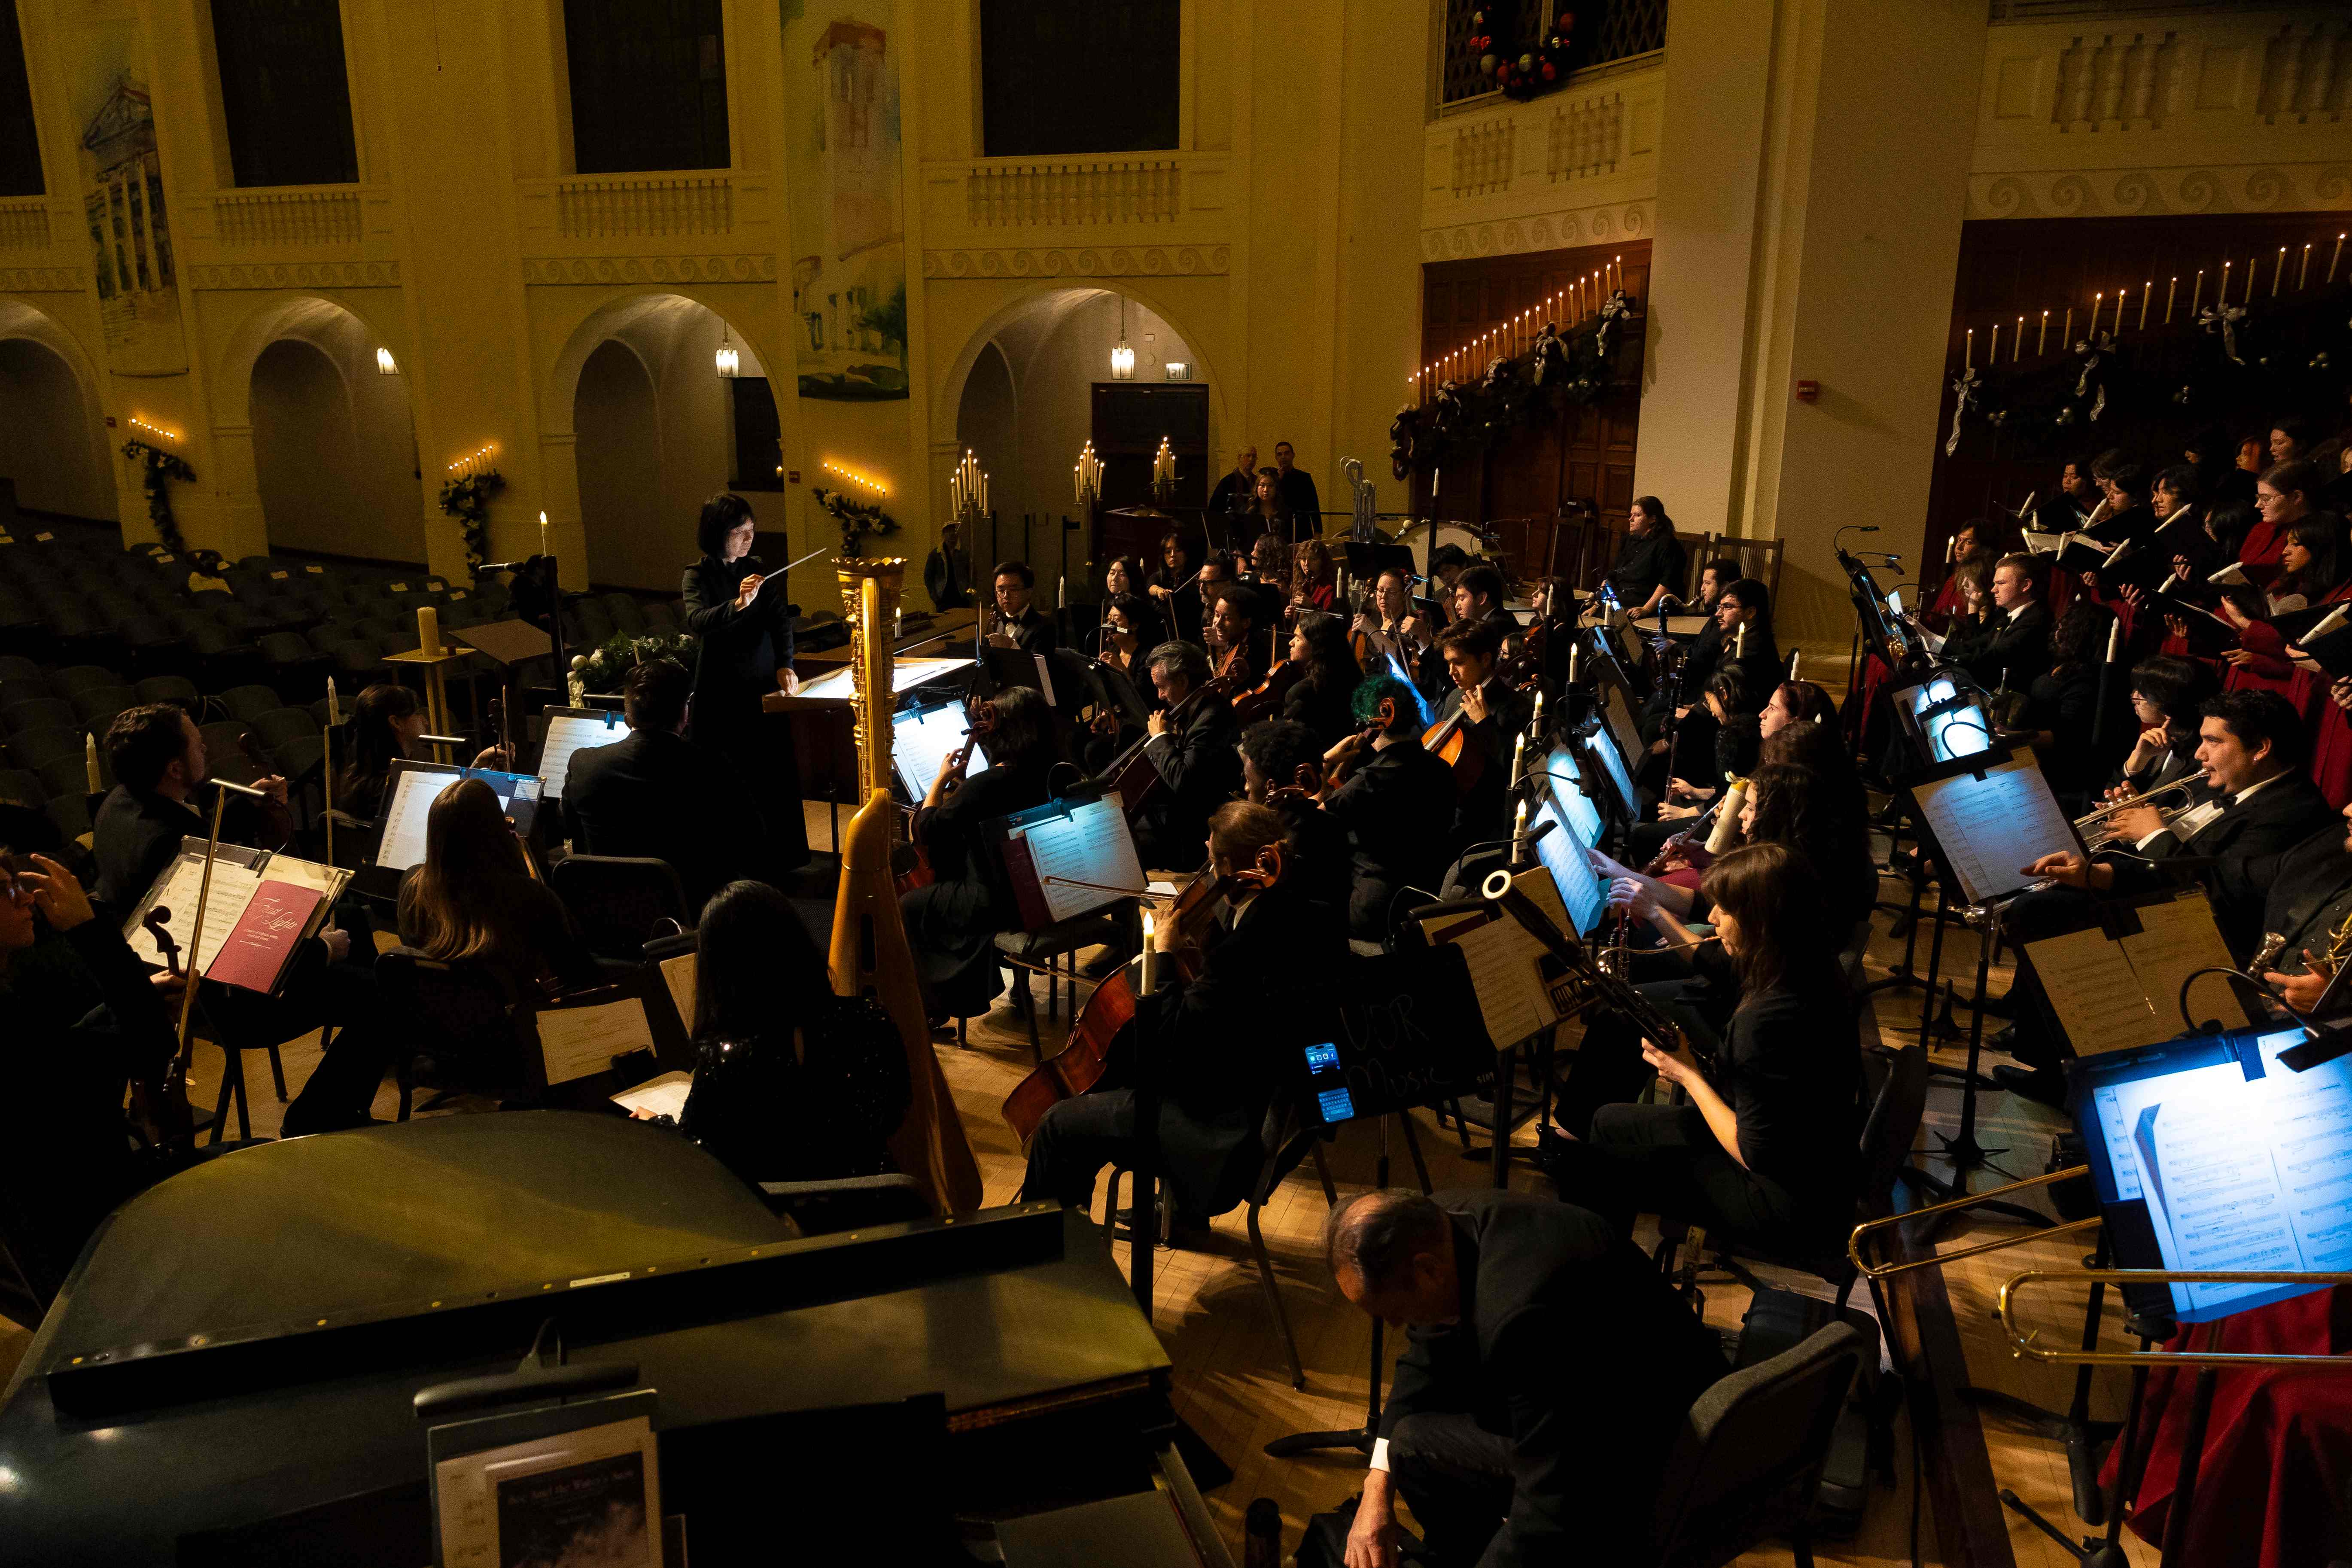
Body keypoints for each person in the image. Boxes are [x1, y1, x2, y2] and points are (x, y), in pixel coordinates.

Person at [1329, 1188, 1730, 1568]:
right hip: (1623, 1393)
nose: (1397, 1324)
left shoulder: (1521, 1319)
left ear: (1427, 1270)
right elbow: (1424, 1358)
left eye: (1393, 1311)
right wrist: (1375, 1488)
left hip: (1656, 1456)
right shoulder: (1438, 1224)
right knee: (1405, 1445)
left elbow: (1553, 1503)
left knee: (1417, 1450)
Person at [1019, 802, 1343, 1239]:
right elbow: (1232, 1013)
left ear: (1229, 865)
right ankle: (1172, 1217)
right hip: (1263, 1104)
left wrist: (1166, 958)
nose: (1207, 873)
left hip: (1218, 1132)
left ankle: (1045, 1249)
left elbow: (1171, 1049)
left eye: (1212, 861)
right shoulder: (1307, 915)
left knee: (1059, 1125)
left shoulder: (1242, 951)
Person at [1996, 690, 2334, 1102]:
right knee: (2050, 901)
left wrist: (2154, 835)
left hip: (2216, 931)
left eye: (2214, 741)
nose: (2200, 754)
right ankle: (2048, 1052)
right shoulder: (2235, 787)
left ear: (2261, 748)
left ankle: (2063, 1072)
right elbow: (2181, 862)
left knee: (2043, 911)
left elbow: (2216, 891)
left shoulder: (2291, 808)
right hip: (2171, 902)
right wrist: (2097, 873)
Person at [1556, 842, 1862, 1260]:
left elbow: (1752, 1153)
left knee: (1606, 1161)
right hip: (1822, 1161)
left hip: (1785, 1201)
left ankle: (1595, 1268)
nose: (1712, 918)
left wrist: (1688, 1075)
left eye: (1725, 911)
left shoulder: (1763, 1020)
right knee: (1608, 1121)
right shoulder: (1803, 959)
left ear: (1759, 922)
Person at [283, 778, 596, 1133]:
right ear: (495, 832)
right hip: (507, 1051)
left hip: (434, 1045)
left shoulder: (413, 887)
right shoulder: (529, 897)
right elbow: (580, 973)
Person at [0, 846, 183, 1295]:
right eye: (6, 890)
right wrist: (89, 929)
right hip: (100, 1234)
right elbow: (152, 1046)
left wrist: (121, 1004)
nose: (26, 899)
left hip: (53, 1226)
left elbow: (60, 1055)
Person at [659, 880, 910, 1187]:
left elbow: (699, 1154)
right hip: (875, 1212)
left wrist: (656, 1124)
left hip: (775, 1224)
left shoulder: (724, 1059)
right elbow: (895, 1111)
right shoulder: (872, 1020)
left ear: (720, 970)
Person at [900, 686, 1055, 1020]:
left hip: (999, 903)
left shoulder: (986, 785)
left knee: (910, 905)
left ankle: (935, 1009)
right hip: (1045, 890)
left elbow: (927, 830)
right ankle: (1014, 985)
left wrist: (938, 784)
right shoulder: (1052, 769)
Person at [563, 656, 762, 910]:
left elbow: (570, 831)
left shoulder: (583, 763)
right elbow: (754, 844)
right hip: (697, 913)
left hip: (610, 913)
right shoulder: (713, 766)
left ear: (628, 716)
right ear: (684, 713)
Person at [680, 492, 807, 869]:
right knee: (728, 773)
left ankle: (781, 857)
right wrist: (737, 604)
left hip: (761, 679)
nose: (748, 538)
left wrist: (786, 663)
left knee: (770, 768)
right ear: (719, 532)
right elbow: (697, 621)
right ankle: (731, 860)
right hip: (720, 685)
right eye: (740, 531)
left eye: (751, 530)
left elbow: (779, 622)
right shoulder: (697, 574)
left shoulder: (757, 570)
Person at [92, 704, 296, 915]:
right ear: (175, 769)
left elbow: (200, 830)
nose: (205, 749)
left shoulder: (119, 799)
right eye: (198, 746)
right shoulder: (168, 840)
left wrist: (250, 799)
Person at [1320, 674, 1457, 944]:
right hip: (1423, 896)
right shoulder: (1442, 768)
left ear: (1373, 724)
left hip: (1373, 911)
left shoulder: (1370, 782)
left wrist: (1325, 763)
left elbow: (1311, 820)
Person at [1135, 640, 1243, 871]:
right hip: (1173, 812)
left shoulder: (1213, 717)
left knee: (1129, 846)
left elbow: (1184, 780)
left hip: (1191, 829)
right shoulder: (1195, 708)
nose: (1160, 696)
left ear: (1183, 681)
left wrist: (1161, 737)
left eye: (1162, 686)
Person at [1431, 619, 1533, 849]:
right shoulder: (1454, 698)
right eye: (1449, 663)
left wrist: (1484, 723)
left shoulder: (1516, 708)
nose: (1451, 673)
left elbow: (1514, 772)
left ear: (1486, 660)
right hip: (1447, 810)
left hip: (1480, 825)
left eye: (1459, 663)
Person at [1238, 719, 1351, 916]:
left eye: (1249, 780)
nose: (1246, 788)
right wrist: (1325, 764)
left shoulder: (1282, 849)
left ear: (1271, 788)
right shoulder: (1324, 823)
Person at [2021, 600, 2124, 803]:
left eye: (2067, 624)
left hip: (2059, 770)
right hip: (2037, 757)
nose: (2059, 628)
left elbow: (2067, 736)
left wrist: (2017, 739)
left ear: (2082, 632)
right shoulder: (2062, 664)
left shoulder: (2086, 677)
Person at [1959, 552, 2051, 691]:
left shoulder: (2037, 620)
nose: (1993, 590)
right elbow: (1972, 646)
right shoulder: (2008, 617)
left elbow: (1993, 659)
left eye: (2001, 583)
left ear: (2026, 585)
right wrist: (1933, 643)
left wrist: (1939, 647)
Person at [1281, 609, 1365, 747]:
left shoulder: (1301, 692)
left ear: (1316, 646)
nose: (1291, 642)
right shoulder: (1352, 676)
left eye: (1298, 638)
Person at [1602, 496, 1686, 615]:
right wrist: (1598, 602)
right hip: (1623, 598)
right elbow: (1613, 574)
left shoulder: (1667, 544)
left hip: (1647, 603)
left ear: (1652, 519)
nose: (1631, 519)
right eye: (1631, 515)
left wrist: (1646, 609)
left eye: (1637, 515)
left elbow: (1668, 582)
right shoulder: (1630, 540)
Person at [986, 560, 1059, 656]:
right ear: (996, 594)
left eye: (1013, 589)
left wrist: (1012, 646)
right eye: (1001, 590)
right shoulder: (994, 622)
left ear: (1029, 592)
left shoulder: (1044, 627)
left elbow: (1041, 669)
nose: (1006, 596)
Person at [1147, 530, 1205, 646]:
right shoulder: (1159, 576)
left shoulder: (1194, 579)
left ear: (1186, 552)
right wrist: (1160, 591)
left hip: (1189, 635)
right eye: (1168, 551)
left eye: (1178, 550)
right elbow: (1151, 587)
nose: (1173, 555)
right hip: (1162, 636)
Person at [1208, 584, 1267, 685]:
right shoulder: (1233, 643)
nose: (1217, 623)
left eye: (1227, 618)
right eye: (1217, 615)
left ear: (1246, 623)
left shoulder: (1254, 655)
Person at [1207, 445, 1260, 533]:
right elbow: (1215, 509)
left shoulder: (1257, 481)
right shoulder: (1227, 482)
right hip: (1232, 529)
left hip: (1252, 528)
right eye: (1248, 456)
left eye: (1254, 456)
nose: (1251, 459)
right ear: (1240, 458)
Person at [1272, 440, 1321, 531]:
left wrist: (1318, 531)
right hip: (1280, 528)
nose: (1283, 457)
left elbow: (1314, 505)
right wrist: (1278, 481)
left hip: (1302, 527)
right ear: (1276, 458)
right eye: (1280, 454)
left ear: (1293, 455)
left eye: (1287, 453)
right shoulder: (1272, 479)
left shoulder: (1305, 477)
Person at [1290, 536, 1338, 616]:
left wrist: (1312, 606)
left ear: (1323, 561)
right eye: (1303, 559)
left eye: (1313, 559)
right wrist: (1292, 615)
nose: (1306, 564)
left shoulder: (1329, 588)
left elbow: (1330, 620)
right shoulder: (1300, 583)